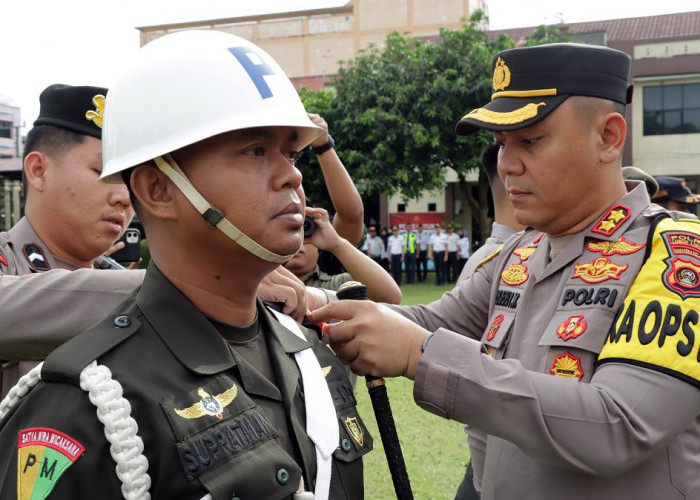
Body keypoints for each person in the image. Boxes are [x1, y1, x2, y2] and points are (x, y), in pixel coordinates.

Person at [310, 43, 700, 499]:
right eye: (500, 144)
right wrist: (312, 302)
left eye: (530, 141)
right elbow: (428, 322)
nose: (507, 165)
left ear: (608, 138)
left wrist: (422, 356)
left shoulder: (675, 254)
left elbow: (619, 424)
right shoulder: (520, 251)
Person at [0, 30, 370, 499]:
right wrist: (184, 295)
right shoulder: (79, 404)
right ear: (158, 189)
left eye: (292, 153)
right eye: (256, 150)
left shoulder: (305, 357)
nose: (293, 174)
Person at [0, 84, 140, 396]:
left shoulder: (120, 278)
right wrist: (190, 286)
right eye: (104, 172)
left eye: (133, 181)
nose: (124, 197)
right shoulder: (6, 263)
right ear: (38, 171)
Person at [285, 207, 401, 304]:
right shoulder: (267, 283)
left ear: (318, 249)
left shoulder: (341, 284)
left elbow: (391, 298)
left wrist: (337, 244)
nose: (298, 241)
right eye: (288, 231)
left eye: (304, 231)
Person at [306, 113, 365, 275]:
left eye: (305, 226)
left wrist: (323, 146)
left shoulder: (328, 256)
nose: (299, 242)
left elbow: (351, 215)